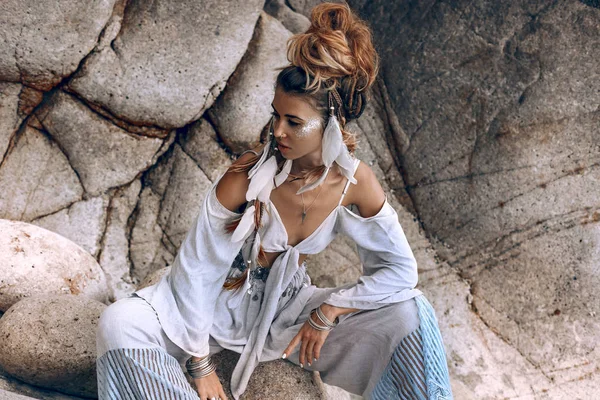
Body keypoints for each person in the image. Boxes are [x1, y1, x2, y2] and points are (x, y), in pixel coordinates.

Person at [95, 3, 453, 400]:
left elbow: (400, 272)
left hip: (285, 316)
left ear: (331, 125)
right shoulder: (243, 176)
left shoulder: (356, 184)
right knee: (119, 321)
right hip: (211, 309)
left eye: (294, 122)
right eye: (276, 115)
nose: (277, 131)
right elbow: (196, 271)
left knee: (408, 316)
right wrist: (199, 365)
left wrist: (329, 310)